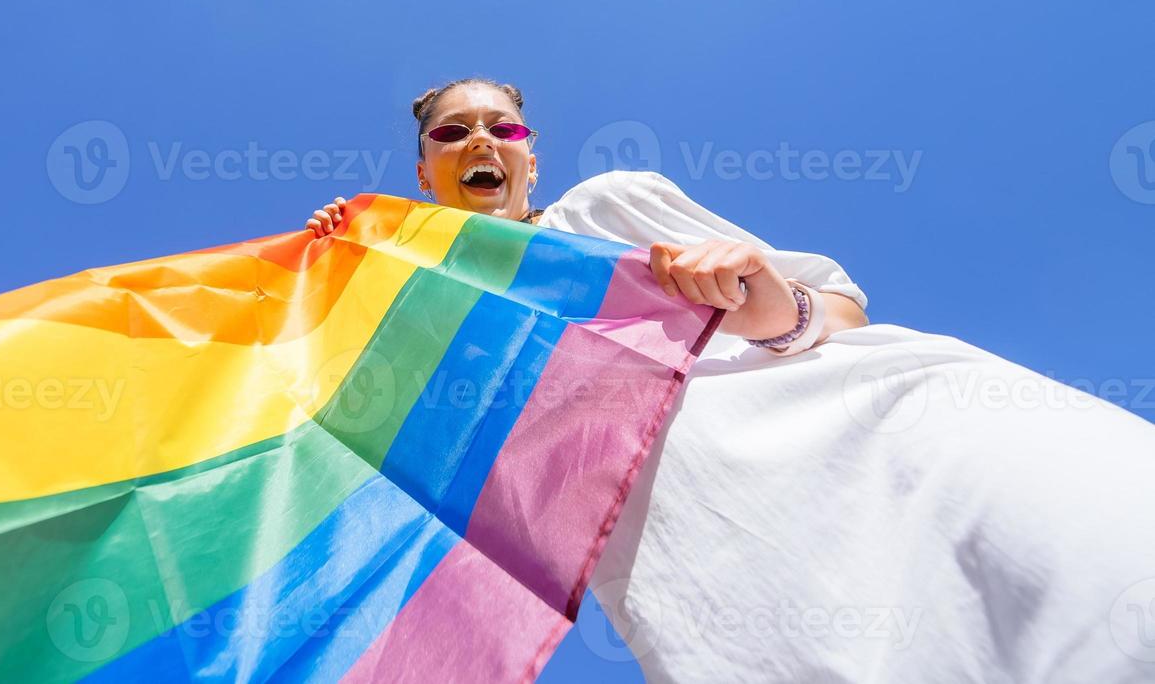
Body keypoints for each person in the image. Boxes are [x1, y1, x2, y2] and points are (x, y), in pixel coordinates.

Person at [306, 76, 1155, 684]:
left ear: (531, 159)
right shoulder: (429, 331)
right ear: (424, 173)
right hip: (711, 567)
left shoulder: (606, 205)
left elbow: (841, 316)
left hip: (891, 434)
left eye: (502, 128)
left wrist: (765, 302)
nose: (480, 141)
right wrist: (323, 279)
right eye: (451, 134)